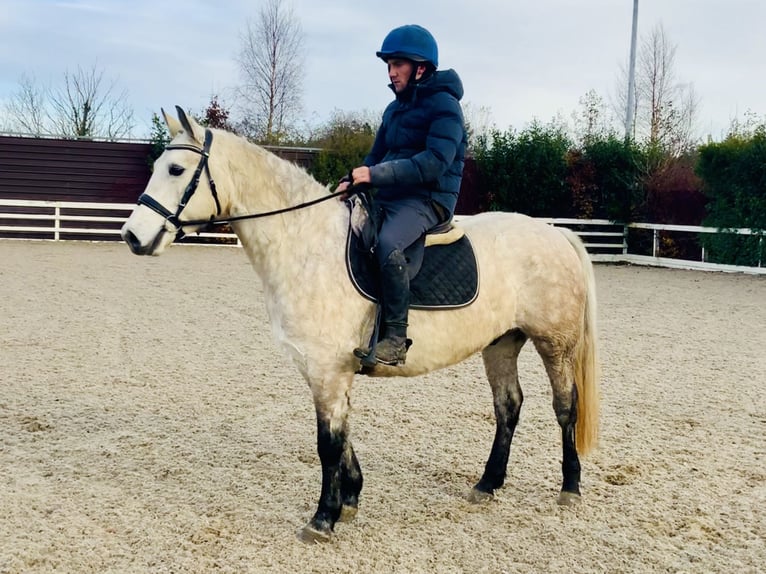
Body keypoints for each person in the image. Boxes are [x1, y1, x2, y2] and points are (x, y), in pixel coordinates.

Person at [338, 24, 467, 366]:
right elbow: (375, 157)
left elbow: (435, 162)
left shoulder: (445, 107)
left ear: (420, 68)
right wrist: (352, 181)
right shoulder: (393, 110)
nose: (391, 72)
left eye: (397, 64)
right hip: (395, 194)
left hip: (429, 198)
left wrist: (376, 175)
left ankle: (395, 338)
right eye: (389, 66)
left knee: (388, 242)